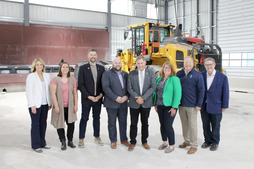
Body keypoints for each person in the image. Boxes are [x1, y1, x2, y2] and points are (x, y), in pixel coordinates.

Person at [176, 56, 205, 154]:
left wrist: (199, 104)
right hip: (181, 105)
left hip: (192, 106)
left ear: (193, 63)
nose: (187, 64)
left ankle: (194, 144)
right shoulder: (179, 74)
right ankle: (187, 141)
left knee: (192, 125)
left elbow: (201, 91)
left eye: (189, 62)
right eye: (186, 62)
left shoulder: (197, 75)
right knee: (184, 124)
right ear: (183, 63)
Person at [127, 55, 156, 151]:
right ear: (136, 64)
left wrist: (143, 98)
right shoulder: (131, 73)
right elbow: (129, 88)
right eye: (138, 63)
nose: (140, 65)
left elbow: (152, 87)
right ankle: (132, 142)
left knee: (145, 123)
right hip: (134, 103)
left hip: (146, 102)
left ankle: (144, 141)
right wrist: (137, 98)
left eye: (141, 63)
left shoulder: (151, 73)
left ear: (145, 63)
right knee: (133, 123)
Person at [200, 57, 229, 151]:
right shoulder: (202, 75)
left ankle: (215, 142)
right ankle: (207, 141)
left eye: (210, 64)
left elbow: (225, 92)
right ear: (204, 66)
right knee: (205, 125)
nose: (209, 66)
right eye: (207, 65)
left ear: (214, 65)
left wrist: (224, 105)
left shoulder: (222, 77)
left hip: (216, 105)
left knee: (216, 125)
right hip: (204, 106)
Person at [78, 48, 105, 147]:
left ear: (97, 56)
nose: (93, 56)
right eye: (91, 55)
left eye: (94, 55)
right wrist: (89, 96)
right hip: (87, 99)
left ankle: (97, 136)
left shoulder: (101, 68)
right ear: (88, 56)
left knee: (96, 118)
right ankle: (81, 138)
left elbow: (104, 84)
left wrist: (100, 95)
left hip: (98, 98)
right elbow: (80, 84)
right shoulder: (83, 68)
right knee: (84, 118)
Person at [102, 57, 130, 149]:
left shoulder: (126, 74)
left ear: (121, 64)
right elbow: (106, 88)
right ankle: (113, 141)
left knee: (123, 122)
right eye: (116, 63)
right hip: (111, 103)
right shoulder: (107, 74)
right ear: (113, 64)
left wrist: (126, 96)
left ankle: (124, 139)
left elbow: (129, 88)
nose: (118, 64)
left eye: (119, 63)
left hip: (123, 103)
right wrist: (116, 98)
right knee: (112, 123)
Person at [153, 62, 182, 153]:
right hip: (160, 105)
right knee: (162, 125)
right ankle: (164, 142)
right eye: (165, 67)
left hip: (170, 106)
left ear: (171, 70)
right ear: (163, 69)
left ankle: (171, 145)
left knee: (168, 125)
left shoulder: (174, 79)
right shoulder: (159, 79)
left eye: (169, 68)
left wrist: (174, 107)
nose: (167, 69)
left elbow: (178, 94)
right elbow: (156, 92)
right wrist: (155, 104)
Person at [50, 62, 78, 150]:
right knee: (60, 124)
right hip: (60, 107)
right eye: (63, 67)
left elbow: (75, 93)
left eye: (67, 67)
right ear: (60, 69)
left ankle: (70, 141)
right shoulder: (55, 80)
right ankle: (62, 141)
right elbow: (53, 94)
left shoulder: (72, 79)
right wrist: (56, 106)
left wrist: (76, 105)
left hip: (70, 106)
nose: (65, 69)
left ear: (69, 69)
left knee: (71, 124)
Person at [26, 58, 51, 153]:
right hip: (35, 105)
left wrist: (50, 102)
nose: (39, 66)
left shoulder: (46, 76)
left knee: (43, 124)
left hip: (45, 104)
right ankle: (35, 145)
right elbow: (29, 92)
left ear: (43, 66)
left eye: (41, 64)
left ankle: (42, 143)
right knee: (35, 125)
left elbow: (48, 90)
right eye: (37, 65)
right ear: (34, 66)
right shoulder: (31, 77)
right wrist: (32, 105)